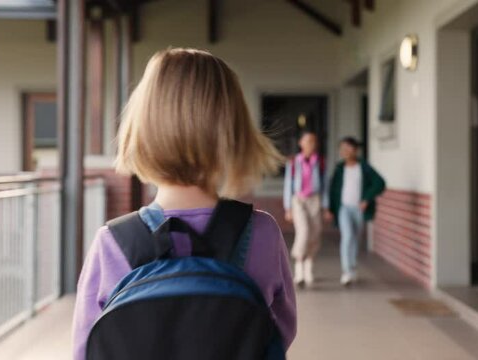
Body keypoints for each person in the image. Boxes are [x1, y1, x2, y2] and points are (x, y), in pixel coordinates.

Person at [72, 48, 296, 359]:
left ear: (141, 130)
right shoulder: (262, 233)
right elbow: (279, 332)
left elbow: (85, 350)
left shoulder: (112, 243)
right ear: (234, 133)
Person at [325, 137, 385, 286]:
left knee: (356, 238)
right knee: (347, 236)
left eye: (348, 148)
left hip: (358, 209)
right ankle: (346, 271)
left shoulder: (363, 167)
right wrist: (330, 208)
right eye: (342, 148)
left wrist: (366, 199)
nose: (344, 151)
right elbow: (333, 190)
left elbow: (380, 183)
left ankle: (352, 267)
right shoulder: (339, 169)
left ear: (355, 150)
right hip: (343, 208)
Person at [283, 131, 324, 288]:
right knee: (304, 231)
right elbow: (288, 185)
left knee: (315, 233)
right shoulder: (294, 162)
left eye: (313, 142)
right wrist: (288, 208)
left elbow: (324, 184)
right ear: (301, 143)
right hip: (298, 200)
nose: (311, 144)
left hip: (315, 199)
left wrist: (325, 206)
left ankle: (309, 265)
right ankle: (299, 268)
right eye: (307, 141)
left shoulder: (319, 161)